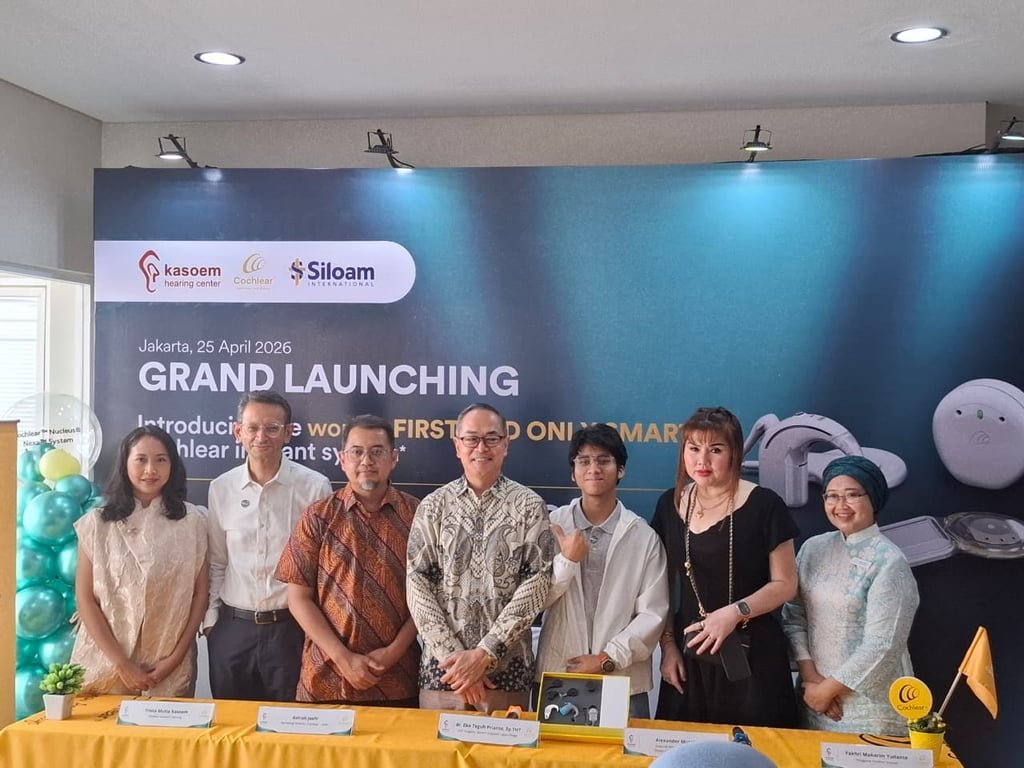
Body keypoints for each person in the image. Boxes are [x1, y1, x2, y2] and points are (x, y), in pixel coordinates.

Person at [653, 406, 799, 727]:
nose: (702, 460)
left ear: (735, 453)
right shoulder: (670, 503)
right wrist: (668, 647)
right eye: (693, 449)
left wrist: (734, 613)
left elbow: (786, 584)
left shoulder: (765, 504)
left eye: (715, 450)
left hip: (750, 652)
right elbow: (662, 585)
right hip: (690, 651)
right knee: (683, 746)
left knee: (756, 746)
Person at [407, 403, 555, 712]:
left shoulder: (529, 506)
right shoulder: (433, 507)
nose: (481, 447)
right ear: (457, 445)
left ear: (505, 444)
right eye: (471, 439)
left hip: (506, 676)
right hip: (444, 676)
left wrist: (484, 655)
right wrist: (458, 664)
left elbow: (536, 585)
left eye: (491, 438)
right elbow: (417, 586)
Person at [276, 414, 421, 706]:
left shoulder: (418, 515)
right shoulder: (318, 516)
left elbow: (428, 597)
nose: (366, 460)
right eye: (357, 452)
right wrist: (343, 658)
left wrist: (391, 653)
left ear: (393, 458)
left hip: (397, 676)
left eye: (377, 451)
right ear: (342, 459)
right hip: (325, 677)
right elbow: (298, 598)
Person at [205, 391, 331, 701]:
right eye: (252, 428)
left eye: (272, 428)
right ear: (238, 432)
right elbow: (217, 562)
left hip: (292, 630)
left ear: (288, 433)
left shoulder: (314, 487)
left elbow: (323, 570)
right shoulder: (221, 488)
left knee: (290, 724)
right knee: (231, 724)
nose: (261, 437)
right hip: (233, 631)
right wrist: (211, 623)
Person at [536, 424, 668, 718]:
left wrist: (607, 659)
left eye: (603, 460)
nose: (593, 468)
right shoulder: (551, 526)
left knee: (625, 749)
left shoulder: (643, 536)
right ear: (573, 473)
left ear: (620, 470)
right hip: (561, 673)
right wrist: (567, 561)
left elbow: (653, 614)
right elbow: (534, 601)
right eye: (583, 461)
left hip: (622, 679)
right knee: (555, 749)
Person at [782, 455, 919, 735]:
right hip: (812, 699)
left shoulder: (890, 561)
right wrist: (811, 680)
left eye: (853, 495)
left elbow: (883, 645)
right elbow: (794, 616)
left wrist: (828, 691)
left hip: (871, 710)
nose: (841, 506)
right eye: (832, 496)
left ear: (873, 499)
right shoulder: (812, 549)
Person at [71, 425, 208, 695]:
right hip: (106, 664)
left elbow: (200, 595)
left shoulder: (193, 521)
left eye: (161, 460)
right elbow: (85, 599)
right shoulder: (97, 523)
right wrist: (121, 664)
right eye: (141, 459)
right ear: (125, 464)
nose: (150, 470)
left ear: (173, 465)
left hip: (167, 666)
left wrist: (174, 659)